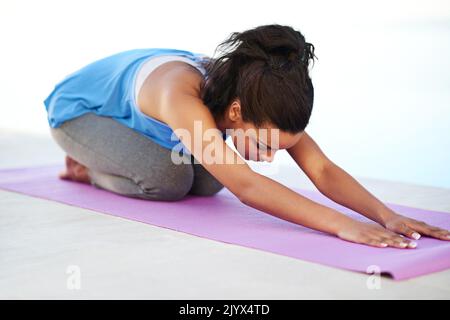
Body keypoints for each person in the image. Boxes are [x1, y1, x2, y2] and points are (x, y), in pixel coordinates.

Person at [44, 24, 450, 249]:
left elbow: (321, 168)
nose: (272, 153)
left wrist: (386, 215)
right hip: (80, 116)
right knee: (168, 181)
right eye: (271, 143)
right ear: (236, 111)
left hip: (149, 126)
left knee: (205, 182)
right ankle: (86, 168)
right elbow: (248, 187)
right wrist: (342, 225)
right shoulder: (180, 94)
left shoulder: (258, 97)